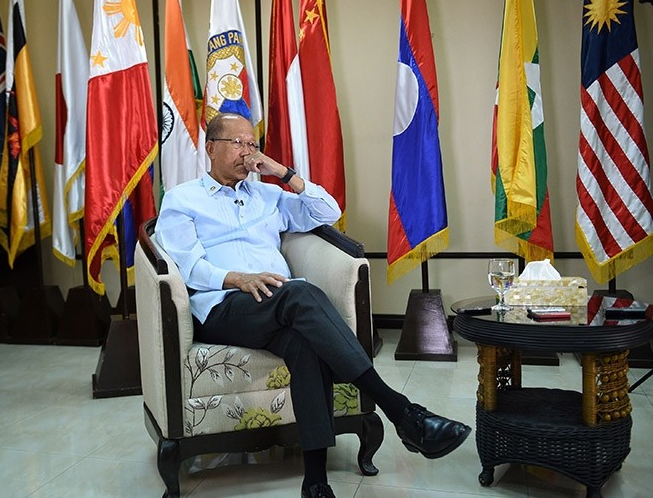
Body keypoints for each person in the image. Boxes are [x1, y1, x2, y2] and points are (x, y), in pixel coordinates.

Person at [155, 113, 471, 498]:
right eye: (237, 143)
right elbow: (186, 264)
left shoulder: (268, 196)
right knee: (300, 293)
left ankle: (316, 482)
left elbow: (328, 212)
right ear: (211, 148)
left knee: (304, 345)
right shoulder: (183, 199)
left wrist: (284, 174)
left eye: (252, 144)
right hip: (224, 306)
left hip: (277, 302)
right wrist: (237, 278)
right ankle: (401, 411)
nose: (247, 152)